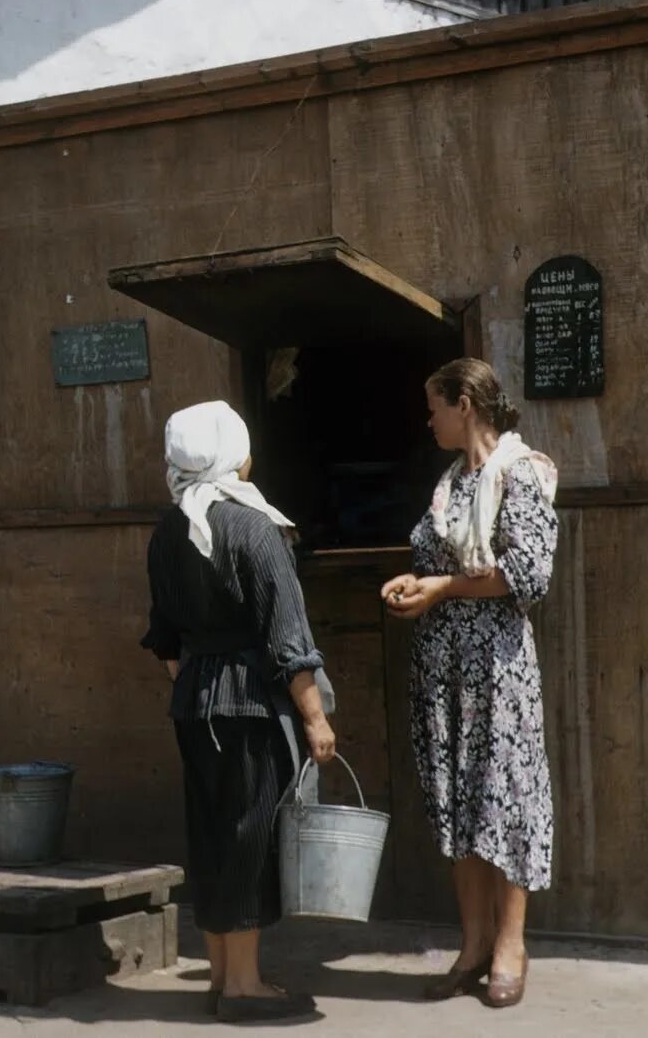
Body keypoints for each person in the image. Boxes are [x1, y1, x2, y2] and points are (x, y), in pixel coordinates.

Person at [141, 400, 337, 1024]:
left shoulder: (169, 531)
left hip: (194, 703)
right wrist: (316, 719)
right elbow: (287, 641)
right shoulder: (255, 528)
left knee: (212, 833)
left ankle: (222, 975)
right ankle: (247, 986)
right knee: (251, 834)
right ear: (232, 454)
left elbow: (165, 640)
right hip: (251, 705)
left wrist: (199, 683)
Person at [380, 358, 558, 1010]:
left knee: (505, 797)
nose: (428, 420)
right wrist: (414, 583)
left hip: (499, 666)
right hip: (446, 664)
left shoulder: (520, 473)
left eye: (435, 407)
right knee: (460, 797)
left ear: (465, 404)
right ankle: (474, 942)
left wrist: (444, 587)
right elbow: (437, 560)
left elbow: (529, 573)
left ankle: (512, 945)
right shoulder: (452, 484)